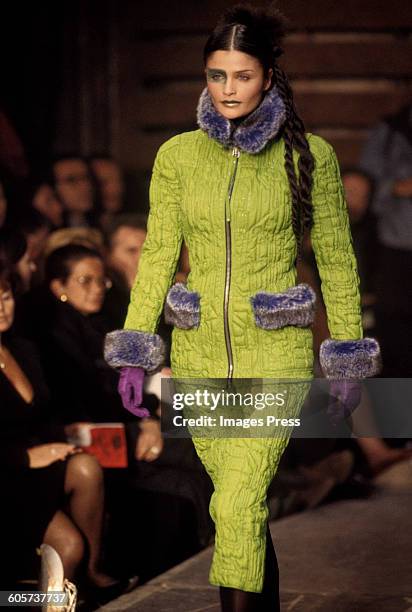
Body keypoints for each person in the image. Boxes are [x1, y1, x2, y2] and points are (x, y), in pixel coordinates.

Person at [104, 6, 381, 611]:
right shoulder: (178, 157)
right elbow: (155, 258)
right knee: (238, 506)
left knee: (234, 503)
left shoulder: (312, 155)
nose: (229, 89)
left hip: (274, 354)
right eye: (216, 75)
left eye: (243, 76)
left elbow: (337, 260)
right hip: (199, 351)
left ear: (269, 77)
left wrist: (346, 361)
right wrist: (134, 351)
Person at [0, 258, 124, 592]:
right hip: (8, 470)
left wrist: (61, 438)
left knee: (86, 466)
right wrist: (24, 457)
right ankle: (29, 602)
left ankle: (92, 575)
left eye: (6, 296)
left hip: (32, 463)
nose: (2, 308)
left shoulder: (23, 349)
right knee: (68, 547)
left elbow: (44, 414)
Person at [359, 102, 412, 376]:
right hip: (392, 249)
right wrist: (397, 187)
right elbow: (363, 189)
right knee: (392, 334)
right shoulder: (389, 132)